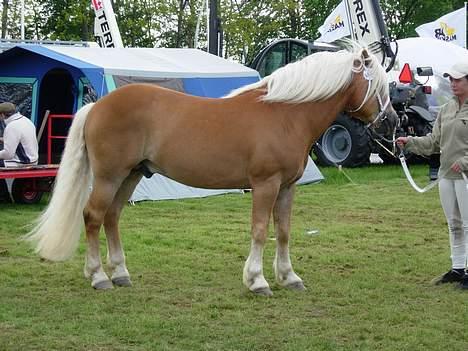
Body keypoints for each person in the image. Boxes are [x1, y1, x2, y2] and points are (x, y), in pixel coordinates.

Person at [396, 61, 468, 289]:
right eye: (451, 79)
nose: (453, 83)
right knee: (453, 224)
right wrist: (410, 143)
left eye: (458, 79)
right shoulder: (446, 109)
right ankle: (457, 268)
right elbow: (433, 142)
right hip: (446, 176)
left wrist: (465, 162)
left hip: (465, 176)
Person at [0, 102, 38, 202]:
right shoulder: (26, 120)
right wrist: (3, 139)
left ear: (3, 115)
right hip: (33, 158)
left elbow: (8, 154)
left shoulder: (11, 126)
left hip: (23, 162)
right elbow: (21, 140)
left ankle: (3, 197)